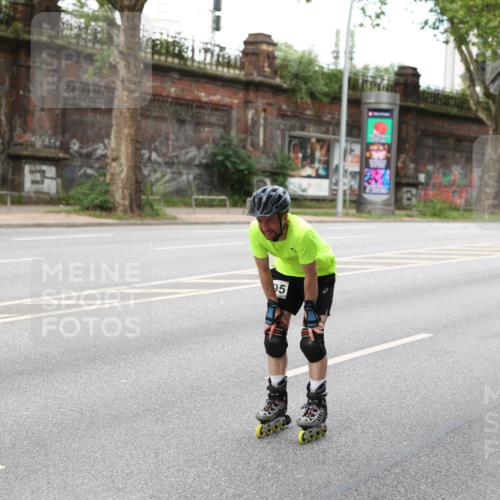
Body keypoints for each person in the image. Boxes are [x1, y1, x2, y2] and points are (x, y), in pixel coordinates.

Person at [248, 185, 336, 441]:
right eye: (260, 221)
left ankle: (317, 403)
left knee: (311, 338)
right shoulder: (256, 231)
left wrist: (310, 309)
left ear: (283, 217)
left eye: (270, 221)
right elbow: (264, 271)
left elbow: (310, 277)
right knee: (273, 335)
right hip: (286, 272)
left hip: (319, 273)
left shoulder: (303, 234)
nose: (265, 227)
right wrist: (272, 304)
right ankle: (276, 398)